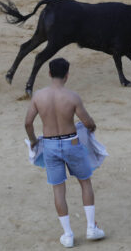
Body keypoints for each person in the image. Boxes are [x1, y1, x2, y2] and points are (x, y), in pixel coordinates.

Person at [25, 58, 105, 248]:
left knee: (58, 189)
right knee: (85, 182)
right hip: (72, 142)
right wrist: (92, 128)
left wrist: (35, 141)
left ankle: (68, 234)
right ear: (67, 75)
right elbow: (87, 122)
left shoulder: (39, 96)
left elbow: (28, 123)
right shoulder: (72, 97)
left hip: (50, 145)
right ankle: (91, 227)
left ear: (50, 73)